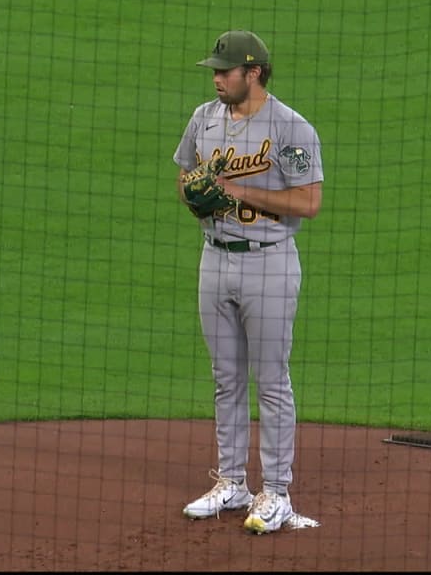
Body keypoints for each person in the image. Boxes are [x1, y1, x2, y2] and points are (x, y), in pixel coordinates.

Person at [173, 29, 324, 534]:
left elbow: (308, 202)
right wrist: (196, 196)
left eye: (225, 71)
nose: (216, 78)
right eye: (215, 71)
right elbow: (186, 176)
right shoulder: (203, 119)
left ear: (253, 72)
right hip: (214, 259)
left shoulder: (290, 128)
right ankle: (232, 482)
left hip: (270, 262)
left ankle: (276, 491)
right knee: (226, 378)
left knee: (272, 381)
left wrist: (240, 192)